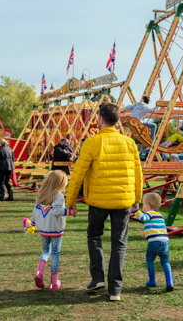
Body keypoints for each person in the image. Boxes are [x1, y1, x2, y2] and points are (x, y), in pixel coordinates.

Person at [66, 102, 142, 302]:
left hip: (98, 201)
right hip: (123, 201)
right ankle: (115, 290)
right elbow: (138, 173)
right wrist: (137, 198)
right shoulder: (129, 143)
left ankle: (98, 278)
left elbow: (78, 174)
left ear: (100, 119)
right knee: (119, 243)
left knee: (94, 236)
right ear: (118, 121)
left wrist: (71, 200)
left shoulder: (92, 143)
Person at [24, 170, 77, 291]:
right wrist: (70, 212)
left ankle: (39, 273)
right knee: (55, 253)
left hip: (43, 229)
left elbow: (35, 211)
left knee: (45, 251)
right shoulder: (58, 195)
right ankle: (53, 282)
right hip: (55, 230)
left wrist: (32, 223)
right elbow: (56, 211)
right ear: (60, 184)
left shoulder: (41, 194)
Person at [133, 192, 173, 292]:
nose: (143, 207)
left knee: (150, 260)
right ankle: (170, 283)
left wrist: (135, 211)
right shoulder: (160, 216)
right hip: (165, 243)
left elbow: (143, 218)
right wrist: (145, 233)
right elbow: (158, 229)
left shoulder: (149, 214)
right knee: (165, 262)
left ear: (148, 206)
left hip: (154, 243)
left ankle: (152, 281)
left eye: (143, 204)